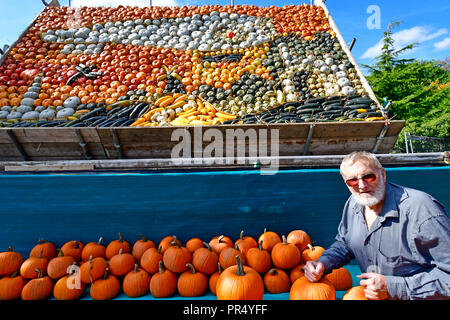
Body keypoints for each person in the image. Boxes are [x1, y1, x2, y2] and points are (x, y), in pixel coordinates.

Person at [304, 151, 450, 300]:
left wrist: (394, 287)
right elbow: (345, 244)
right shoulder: (353, 204)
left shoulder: (422, 210)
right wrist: (323, 263)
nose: (361, 185)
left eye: (368, 176)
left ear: (383, 174)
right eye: (353, 181)